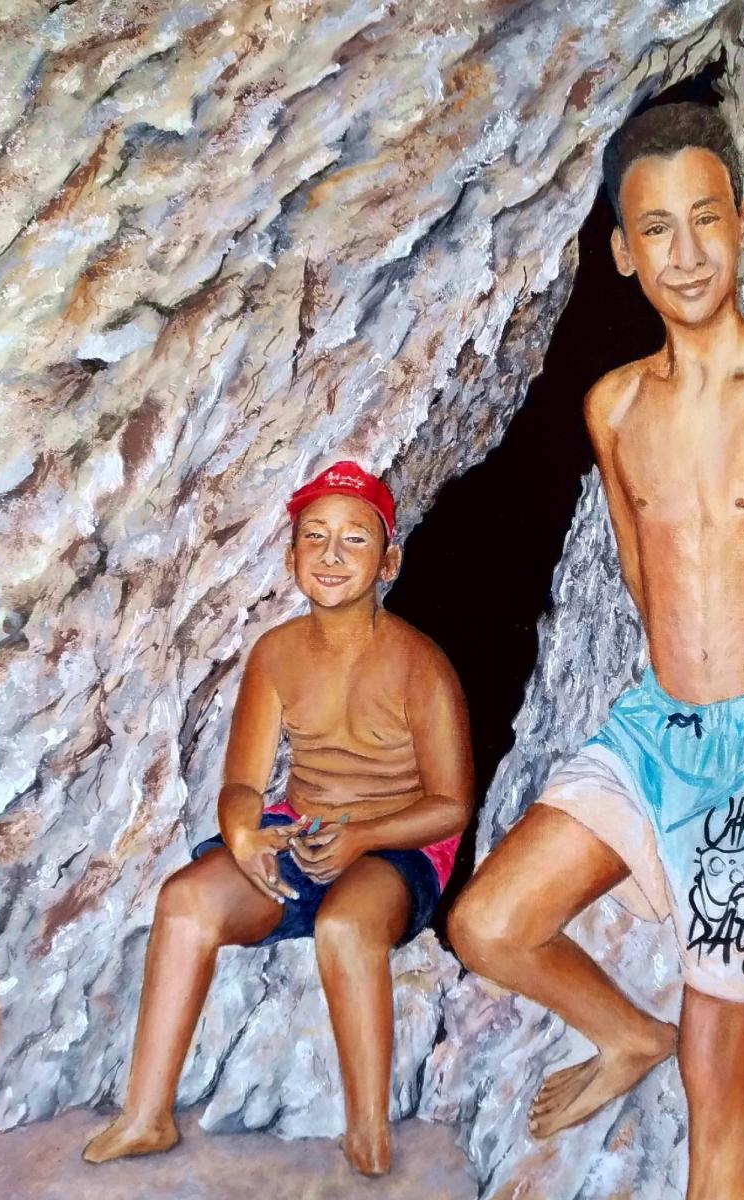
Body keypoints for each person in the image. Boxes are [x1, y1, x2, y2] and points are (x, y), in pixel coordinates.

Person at [448, 101, 744, 1200]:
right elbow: (646, 578)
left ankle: (674, 1064)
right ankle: (624, 1033)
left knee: (717, 1058)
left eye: (707, 219)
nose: (687, 253)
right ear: (622, 251)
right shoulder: (612, 408)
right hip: (661, 731)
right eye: (656, 229)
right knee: (486, 922)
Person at [84, 461, 474, 1177]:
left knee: (346, 926)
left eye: (354, 539)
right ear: (291, 555)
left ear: (388, 561)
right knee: (185, 900)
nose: (331, 555)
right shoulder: (276, 655)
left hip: (398, 842)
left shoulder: (421, 665)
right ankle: (147, 1116)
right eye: (314, 537)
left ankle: (367, 1131)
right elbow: (242, 782)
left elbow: (452, 805)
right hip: (304, 829)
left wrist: (363, 836)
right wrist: (244, 834)